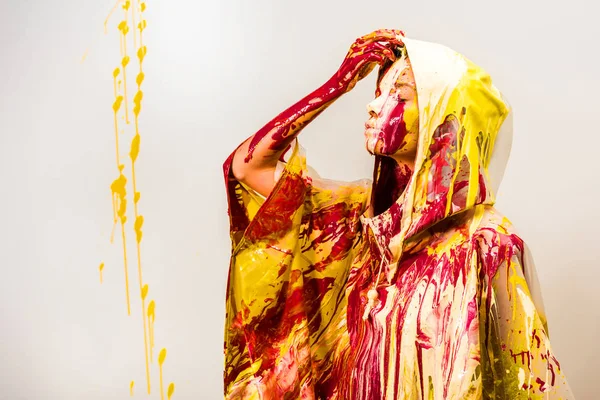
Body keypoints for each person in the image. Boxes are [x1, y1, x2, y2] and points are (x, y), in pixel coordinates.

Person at [222, 29, 573, 399]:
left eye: (399, 95)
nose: (374, 106)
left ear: (444, 122)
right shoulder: (358, 224)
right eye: (378, 92)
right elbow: (247, 169)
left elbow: (522, 382)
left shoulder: (487, 245)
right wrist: (339, 83)